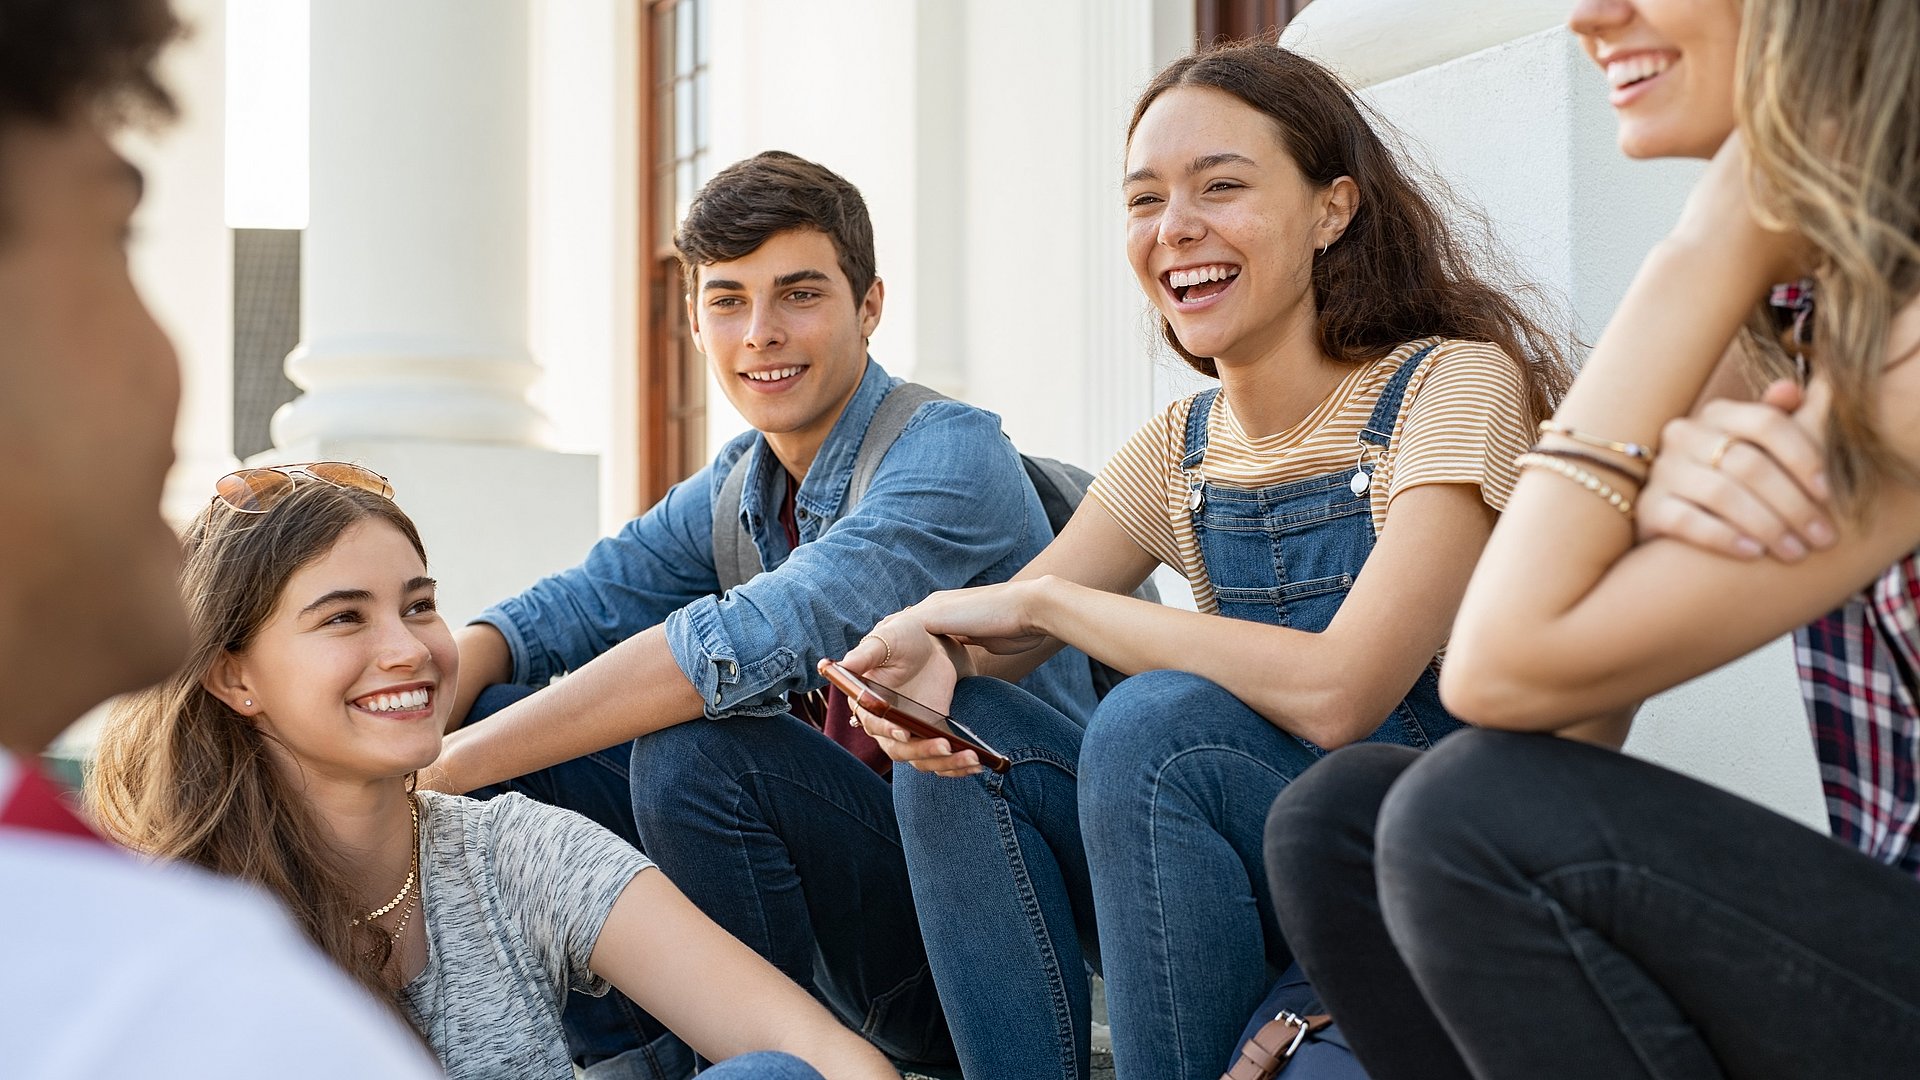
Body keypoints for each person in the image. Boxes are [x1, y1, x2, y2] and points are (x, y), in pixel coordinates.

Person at [834, 42, 1570, 1080]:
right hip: (1232, 881)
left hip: (1412, 876)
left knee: (1158, 726)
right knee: (969, 746)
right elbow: (1008, 640)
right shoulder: (1178, 446)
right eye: (1144, 200)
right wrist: (934, 668)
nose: (1174, 229)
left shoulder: (1449, 388)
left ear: (1333, 208)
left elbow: (1340, 695)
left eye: (1221, 187)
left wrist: (1049, 600)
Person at [1263, 1, 1920, 1077]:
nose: (1590, 14)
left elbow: (1498, 670)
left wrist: (1712, 236)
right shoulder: (1804, 314)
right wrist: (1642, 499)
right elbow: (1565, 722)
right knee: (1339, 822)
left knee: (1464, 817)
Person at [425, 150, 1096, 1073]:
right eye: (728, 300)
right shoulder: (741, 481)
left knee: (696, 754)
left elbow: (719, 652)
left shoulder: (950, 455)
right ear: (696, 320)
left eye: (800, 294)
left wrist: (437, 772)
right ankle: (634, 1051)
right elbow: (558, 614)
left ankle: (749, 1062)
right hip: (840, 900)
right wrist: (407, 736)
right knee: (507, 724)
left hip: (986, 935)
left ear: (869, 307)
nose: (761, 334)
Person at [88, 466, 899, 1080]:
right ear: (236, 678)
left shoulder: (508, 852)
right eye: (344, 618)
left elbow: (827, 1056)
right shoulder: (174, 916)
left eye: (417, 605)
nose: (407, 650)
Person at [0, 1, 439, 1075]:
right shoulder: (166, 1008)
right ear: (234, 676)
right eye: (115, 238)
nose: (169, 356)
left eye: (419, 604)